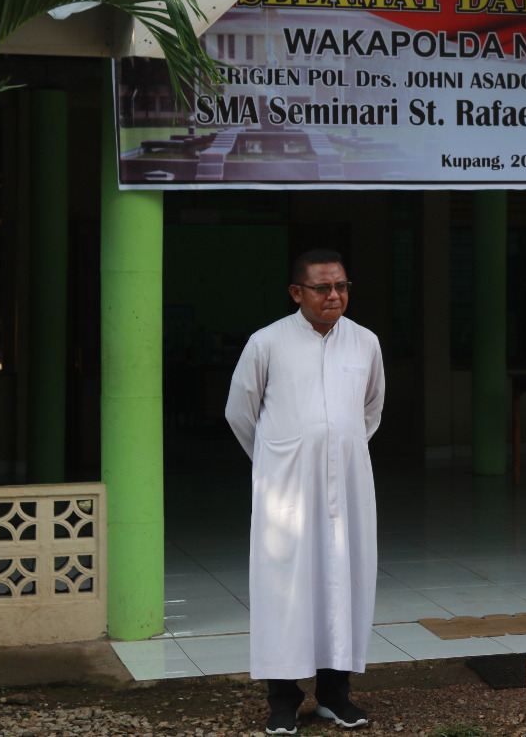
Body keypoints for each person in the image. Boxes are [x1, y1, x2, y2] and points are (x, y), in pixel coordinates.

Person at [226, 250, 385, 734]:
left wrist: (338, 453)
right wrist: (282, 460)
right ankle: (282, 700)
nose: (334, 295)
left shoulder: (365, 342)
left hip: (349, 487)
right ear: (298, 292)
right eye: (322, 288)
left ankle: (335, 695)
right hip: (287, 492)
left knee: (344, 581)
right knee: (285, 590)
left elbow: (371, 410)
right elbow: (240, 412)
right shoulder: (266, 342)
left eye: (341, 286)